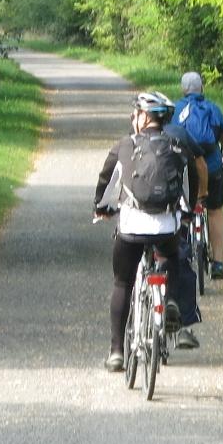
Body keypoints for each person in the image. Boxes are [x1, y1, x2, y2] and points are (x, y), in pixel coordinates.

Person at [93, 90, 207, 371]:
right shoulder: (178, 146)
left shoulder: (124, 145)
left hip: (132, 227)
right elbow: (191, 181)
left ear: (143, 118)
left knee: (122, 283)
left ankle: (117, 352)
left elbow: (106, 181)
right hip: (166, 226)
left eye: (136, 113)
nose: (134, 117)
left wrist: (101, 208)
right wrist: (187, 211)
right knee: (170, 258)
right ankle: (168, 301)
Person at [171, 71, 223, 279]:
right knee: (215, 211)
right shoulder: (213, 109)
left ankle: (180, 254)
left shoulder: (175, 109)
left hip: (185, 168)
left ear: (183, 89)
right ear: (202, 88)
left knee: (179, 209)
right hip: (213, 165)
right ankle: (217, 262)